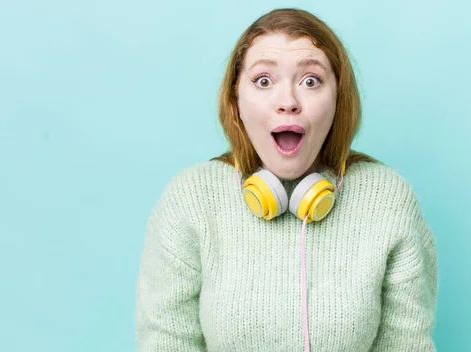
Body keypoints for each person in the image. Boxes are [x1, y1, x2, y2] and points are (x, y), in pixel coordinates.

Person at [136, 7, 438, 352]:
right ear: (236, 100)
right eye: (263, 81)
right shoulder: (190, 199)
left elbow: (407, 343)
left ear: (338, 99)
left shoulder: (388, 199)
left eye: (311, 81)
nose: (288, 102)